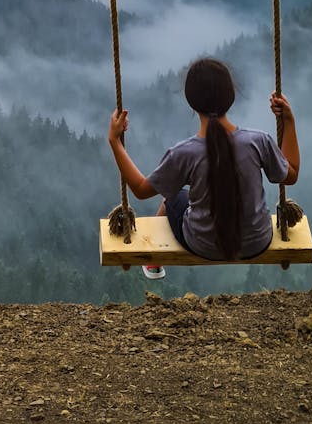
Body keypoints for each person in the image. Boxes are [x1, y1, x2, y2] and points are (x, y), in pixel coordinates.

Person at [106, 56, 299, 279]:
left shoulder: (184, 153)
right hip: (257, 240)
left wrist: (114, 141)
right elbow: (291, 174)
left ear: (191, 102)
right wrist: (289, 122)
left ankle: (154, 261)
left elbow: (140, 189)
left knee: (172, 195)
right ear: (231, 97)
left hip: (203, 243)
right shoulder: (258, 141)